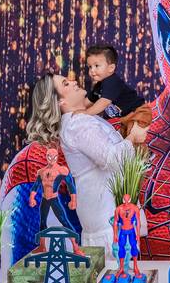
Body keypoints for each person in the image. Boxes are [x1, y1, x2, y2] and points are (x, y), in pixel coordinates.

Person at [28, 73, 147, 261]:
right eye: (66, 84)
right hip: (108, 223)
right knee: (116, 274)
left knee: (121, 272)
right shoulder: (78, 125)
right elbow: (111, 159)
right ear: (60, 102)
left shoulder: (83, 120)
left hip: (112, 219)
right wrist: (133, 137)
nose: (74, 82)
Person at [85, 44, 152, 137]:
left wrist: (85, 113)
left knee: (135, 136)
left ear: (111, 68)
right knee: (123, 138)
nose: (92, 70)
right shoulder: (99, 85)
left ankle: (141, 146)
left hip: (137, 112)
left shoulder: (112, 82)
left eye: (96, 66)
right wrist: (74, 110)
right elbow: (87, 101)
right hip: (124, 118)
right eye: (90, 67)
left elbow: (104, 102)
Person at [28, 147, 85, 255]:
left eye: (54, 157)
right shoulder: (42, 172)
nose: (51, 159)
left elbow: (70, 185)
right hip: (45, 199)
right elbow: (36, 186)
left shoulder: (61, 170)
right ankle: (42, 246)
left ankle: (76, 248)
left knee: (64, 221)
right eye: (49, 156)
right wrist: (32, 197)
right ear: (46, 157)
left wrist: (73, 200)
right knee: (42, 222)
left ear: (57, 157)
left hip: (54, 199)